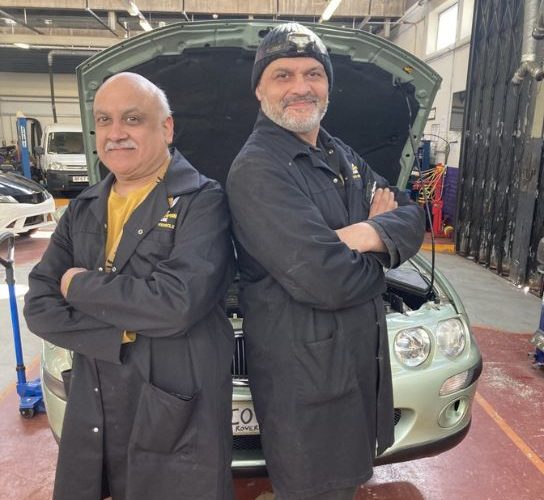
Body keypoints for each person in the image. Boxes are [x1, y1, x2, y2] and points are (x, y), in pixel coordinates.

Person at [226, 23, 425, 500]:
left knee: (345, 480)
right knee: (314, 487)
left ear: (328, 86)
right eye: (283, 75)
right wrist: (379, 256)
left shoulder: (340, 155)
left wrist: (362, 233)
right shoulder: (258, 168)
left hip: (353, 361)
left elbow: (411, 213)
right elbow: (326, 279)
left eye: (313, 73)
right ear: (259, 89)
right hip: (305, 376)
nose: (301, 87)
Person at [24, 72, 235, 500]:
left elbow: (175, 304)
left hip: (176, 400)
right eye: (104, 120)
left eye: (132, 119)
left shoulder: (203, 201)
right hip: (98, 393)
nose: (115, 133)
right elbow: (39, 307)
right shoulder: (83, 208)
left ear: (167, 128)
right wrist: (120, 330)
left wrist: (79, 285)